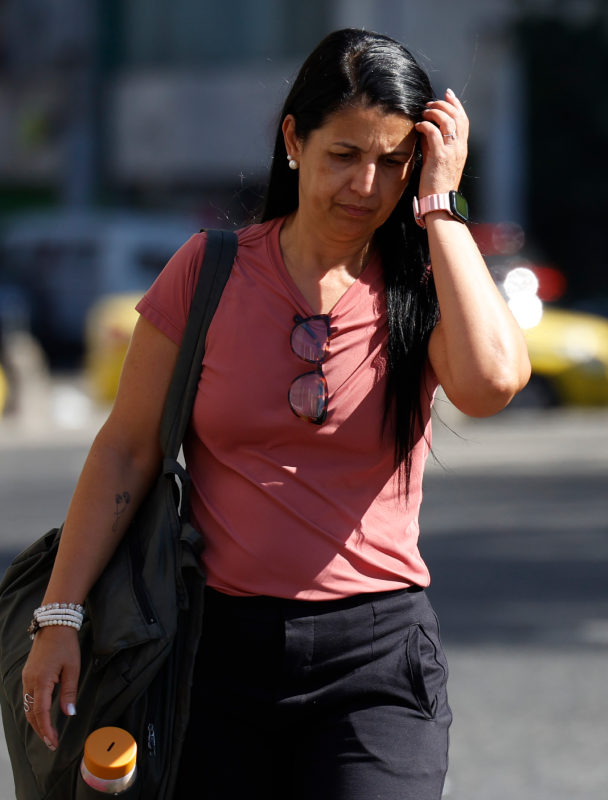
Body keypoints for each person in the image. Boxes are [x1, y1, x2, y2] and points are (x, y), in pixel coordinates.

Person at [21, 30, 530, 799]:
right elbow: (124, 450)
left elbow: (492, 384)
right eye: (344, 155)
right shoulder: (208, 270)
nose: (367, 185)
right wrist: (60, 615)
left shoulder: (424, 281)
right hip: (214, 657)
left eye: (394, 162)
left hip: (379, 661)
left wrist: (441, 206)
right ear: (294, 140)